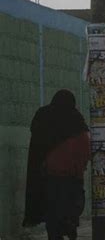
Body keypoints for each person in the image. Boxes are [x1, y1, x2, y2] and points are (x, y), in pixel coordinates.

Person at [23, 89, 90, 240]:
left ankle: (55, 234)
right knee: (71, 211)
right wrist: (81, 165)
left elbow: (36, 139)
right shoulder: (76, 118)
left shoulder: (44, 115)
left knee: (52, 212)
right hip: (73, 177)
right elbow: (85, 145)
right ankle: (70, 229)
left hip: (51, 176)